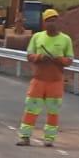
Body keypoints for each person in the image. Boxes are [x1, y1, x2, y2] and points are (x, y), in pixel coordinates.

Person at [17, 8, 73, 147]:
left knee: (53, 112)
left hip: (55, 82)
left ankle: (49, 139)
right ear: (44, 23)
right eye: (48, 21)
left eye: (54, 20)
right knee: (30, 110)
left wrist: (59, 59)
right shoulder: (37, 37)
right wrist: (40, 57)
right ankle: (25, 137)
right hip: (38, 80)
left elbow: (70, 60)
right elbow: (29, 55)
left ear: (58, 22)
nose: (51, 24)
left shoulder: (65, 39)